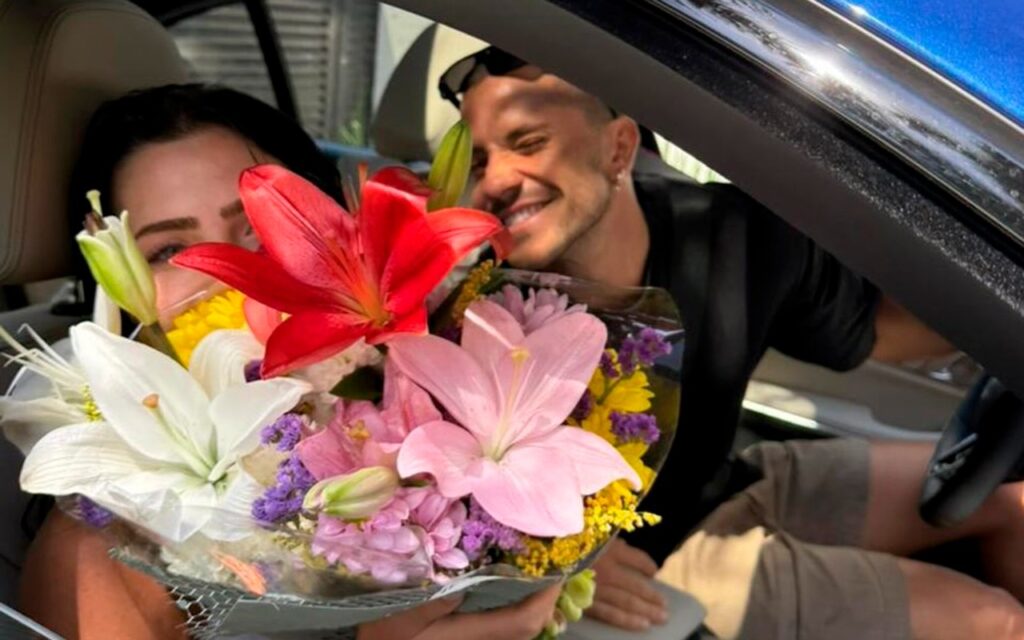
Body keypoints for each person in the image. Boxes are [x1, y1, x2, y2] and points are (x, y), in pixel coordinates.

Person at [445, 48, 1024, 639]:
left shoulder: (734, 236)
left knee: (1014, 499)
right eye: (478, 160)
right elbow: (421, 490)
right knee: (997, 622)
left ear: (619, 149)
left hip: (729, 485)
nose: (494, 180)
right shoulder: (473, 311)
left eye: (529, 142)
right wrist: (541, 546)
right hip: (663, 560)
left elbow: (878, 332)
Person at [16, 84, 560, 640]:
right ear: (116, 282)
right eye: (168, 251)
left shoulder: (443, 380)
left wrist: (546, 529)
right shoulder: (99, 542)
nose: (227, 270)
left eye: (257, 224)